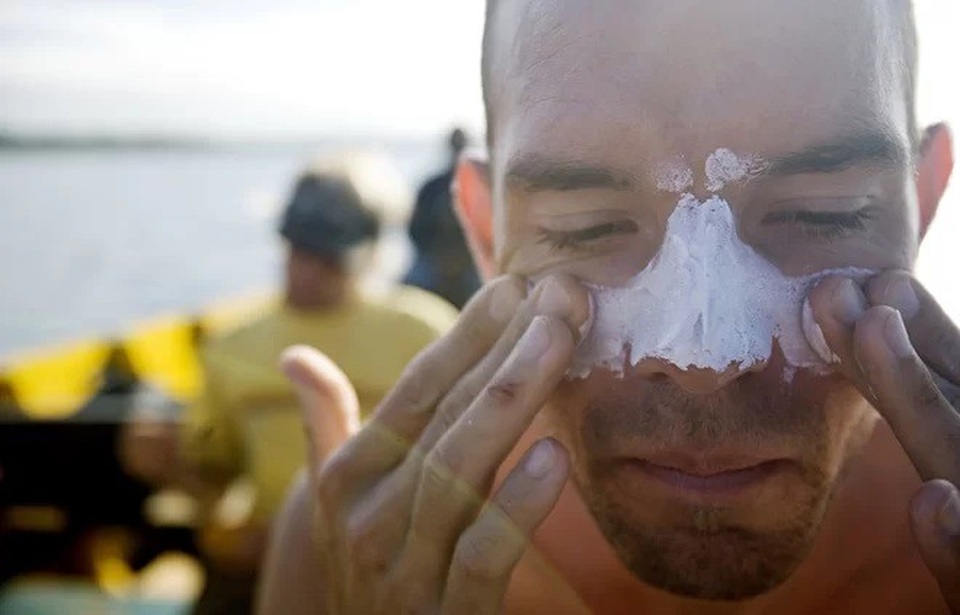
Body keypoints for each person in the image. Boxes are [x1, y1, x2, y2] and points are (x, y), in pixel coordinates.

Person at [258, 1, 960, 613]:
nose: (705, 361)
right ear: (485, 234)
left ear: (923, 204)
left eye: (824, 214)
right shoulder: (362, 543)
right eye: (586, 227)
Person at [125, 152, 459, 614]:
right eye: (299, 251)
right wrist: (169, 466)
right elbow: (215, 473)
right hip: (261, 557)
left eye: (328, 259)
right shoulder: (230, 345)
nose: (307, 272)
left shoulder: (427, 333)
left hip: (394, 559)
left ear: (371, 253)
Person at [404, 128, 482, 308]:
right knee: (407, 288)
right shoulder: (432, 187)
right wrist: (440, 259)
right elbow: (415, 229)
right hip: (434, 261)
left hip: (470, 264)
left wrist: (463, 260)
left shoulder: (482, 187)